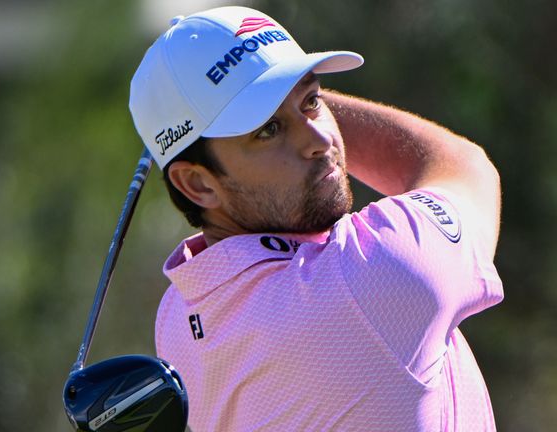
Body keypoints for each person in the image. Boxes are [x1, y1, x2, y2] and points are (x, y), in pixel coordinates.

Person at [129, 6, 504, 431]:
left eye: (312, 101)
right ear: (197, 185)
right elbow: (464, 166)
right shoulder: (370, 278)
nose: (321, 138)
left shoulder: (180, 315)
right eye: (268, 130)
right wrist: (290, 89)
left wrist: (268, 93)